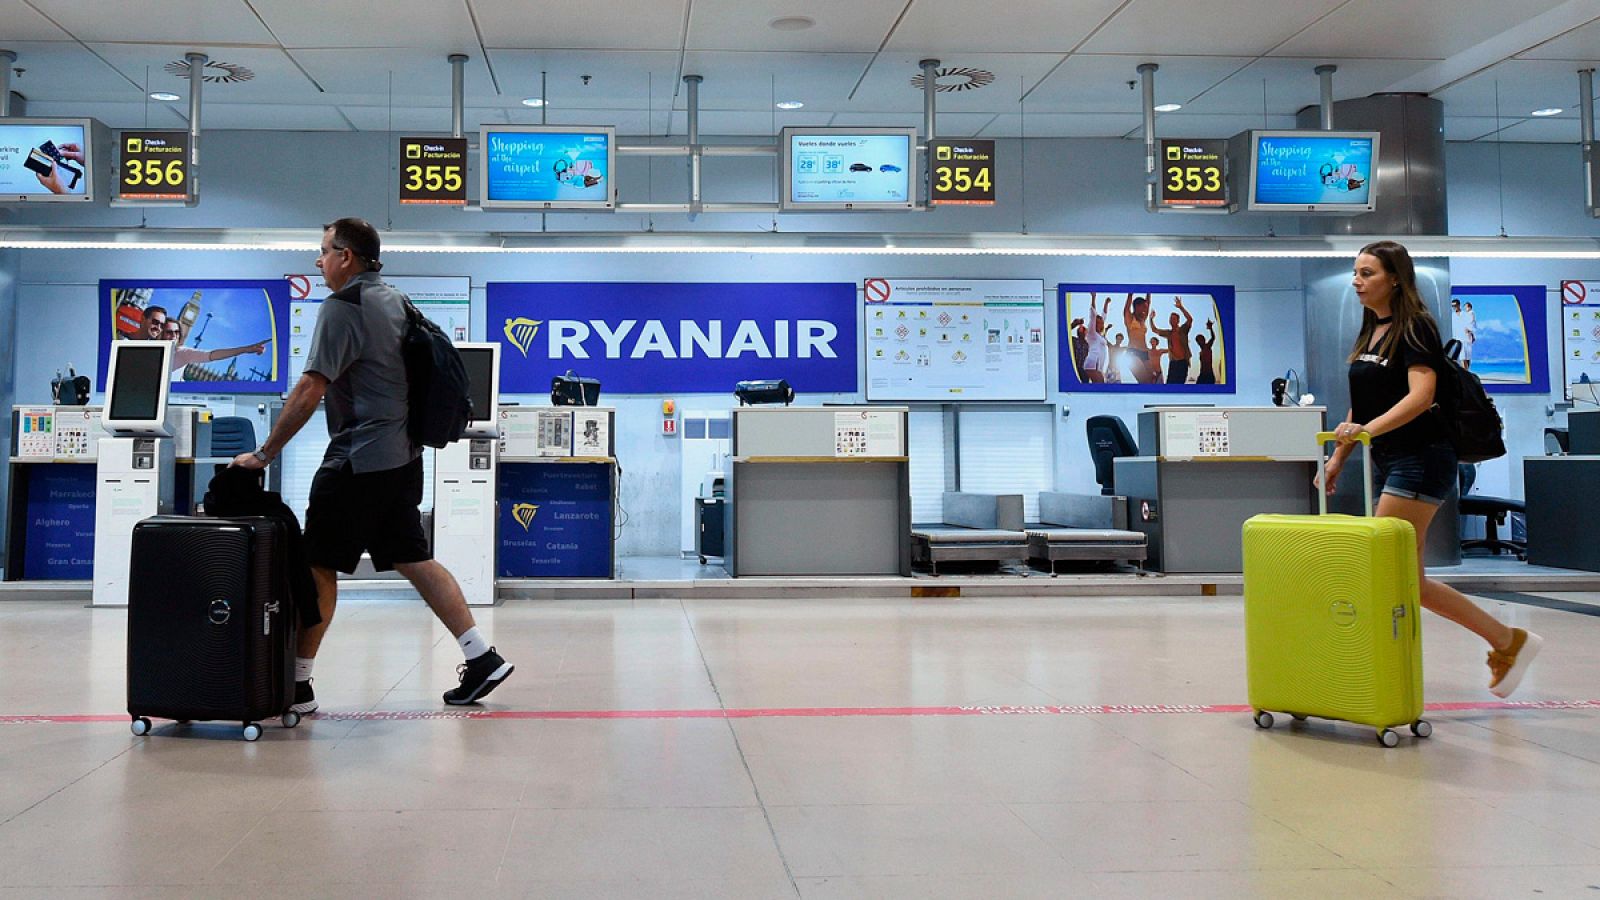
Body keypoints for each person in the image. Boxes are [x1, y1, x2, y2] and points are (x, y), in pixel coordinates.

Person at [233, 217, 514, 713]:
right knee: (415, 559)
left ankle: (296, 686)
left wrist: (264, 454)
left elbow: (310, 387)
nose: (317, 262)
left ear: (347, 256)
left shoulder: (343, 307)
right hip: (403, 460)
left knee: (318, 564)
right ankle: (481, 657)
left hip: (357, 461)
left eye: (323, 252)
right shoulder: (396, 301)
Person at [1323, 240, 1540, 698]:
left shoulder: (1416, 328)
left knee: (1382, 564)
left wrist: (1364, 434)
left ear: (1395, 279)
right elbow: (1363, 404)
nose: (1357, 282)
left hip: (1420, 458)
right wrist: (1341, 454)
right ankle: (1507, 641)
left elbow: (1420, 398)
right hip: (1388, 458)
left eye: (1368, 274)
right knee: (1408, 579)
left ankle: (1366, 667)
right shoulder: (1371, 332)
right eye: (1356, 273)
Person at [143, 304, 270, 374]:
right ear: (160, 334)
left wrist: (245, 349)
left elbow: (212, 355)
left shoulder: (182, 353)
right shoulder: (146, 351)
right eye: (169, 333)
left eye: (177, 333)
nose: (174, 336)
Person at [1152, 298, 1195, 385]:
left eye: (1174, 318)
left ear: (1178, 320)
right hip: (1173, 363)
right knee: (1169, 385)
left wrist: (1181, 307)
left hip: (1183, 362)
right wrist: (1151, 319)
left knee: (1180, 386)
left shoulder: (1183, 330)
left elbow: (1190, 319)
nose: (1172, 320)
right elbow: (1154, 330)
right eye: (1170, 319)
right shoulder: (1168, 333)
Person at [1123, 294, 1156, 383]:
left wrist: (1148, 292)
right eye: (1143, 307)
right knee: (1144, 380)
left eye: (1146, 307)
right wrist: (1130, 294)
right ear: (1137, 306)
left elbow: (1148, 302)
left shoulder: (1143, 319)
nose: (1146, 309)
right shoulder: (1130, 318)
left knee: (1152, 379)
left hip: (1145, 353)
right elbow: (1126, 308)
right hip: (1133, 353)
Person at [1082, 294, 1111, 383]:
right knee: (1100, 384)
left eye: (1102, 323)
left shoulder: (1099, 335)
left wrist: (1106, 304)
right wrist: (1093, 297)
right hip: (1092, 363)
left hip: (1098, 366)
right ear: (1095, 323)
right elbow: (1093, 315)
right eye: (1099, 323)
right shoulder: (1092, 333)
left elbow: (1104, 315)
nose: (1102, 324)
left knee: (1099, 385)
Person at [1450, 298, 1476, 370]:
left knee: (1467, 357)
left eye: (1455, 305)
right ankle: (1466, 374)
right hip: (1458, 338)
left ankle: (1467, 372)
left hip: (1467, 338)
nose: (1454, 307)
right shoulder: (1452, 316)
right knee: (1462, 357)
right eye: (1452, 306)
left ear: (1459, 305)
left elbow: (1471, 324)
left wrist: (1472, 335)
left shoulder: (1465, 314)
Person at [1194, 319, 1217, 385]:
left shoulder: (1207, 346)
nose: (1199, 342)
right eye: (1197, 341)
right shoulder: (1201, 351)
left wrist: (1210, 328)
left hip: (1209, 375)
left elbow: (1213, 338)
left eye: (1200, 340)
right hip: (1202, 375)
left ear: (1204, 340)